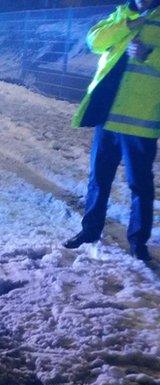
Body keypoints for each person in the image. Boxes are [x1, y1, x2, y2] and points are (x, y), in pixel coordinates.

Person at [65, 0, 160, 263]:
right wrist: (127, 24)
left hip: (139, 121)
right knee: (98, 179)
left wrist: (149, 54)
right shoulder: (122, 13)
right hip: (107, 117)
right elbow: (94, 40)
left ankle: (138, 243)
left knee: (139, 185)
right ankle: (89, 231)